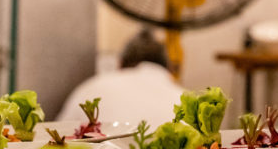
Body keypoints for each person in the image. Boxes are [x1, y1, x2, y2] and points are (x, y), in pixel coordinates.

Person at [57, 28, 185, 126]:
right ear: (169, 69)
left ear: (119, 63)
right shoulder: (185, 101)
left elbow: (57, 138)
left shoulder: (91, 87)